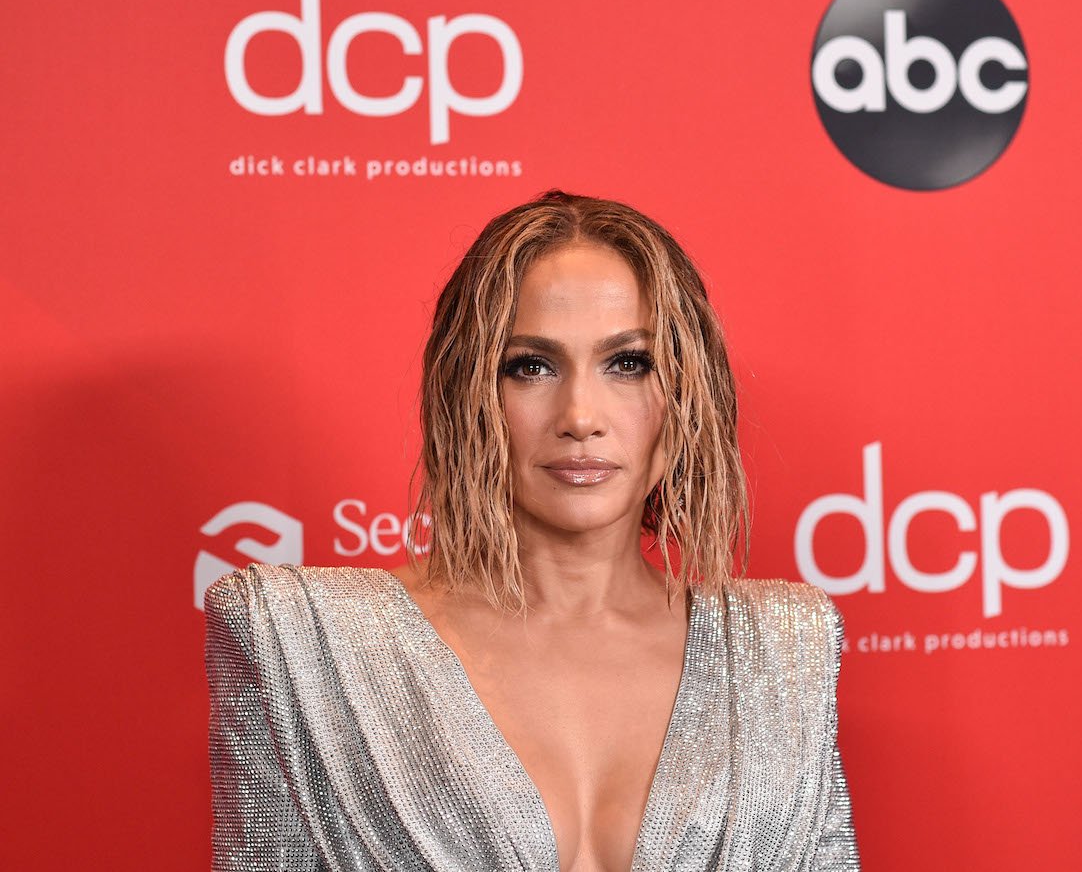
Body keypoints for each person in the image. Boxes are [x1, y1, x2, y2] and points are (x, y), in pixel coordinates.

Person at [204, 189, 861, 871]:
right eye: (532, 366)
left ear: (690, 393)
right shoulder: (305, 640)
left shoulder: (786, 649)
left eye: (628, 363)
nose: (581, 414)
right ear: (467, 392)